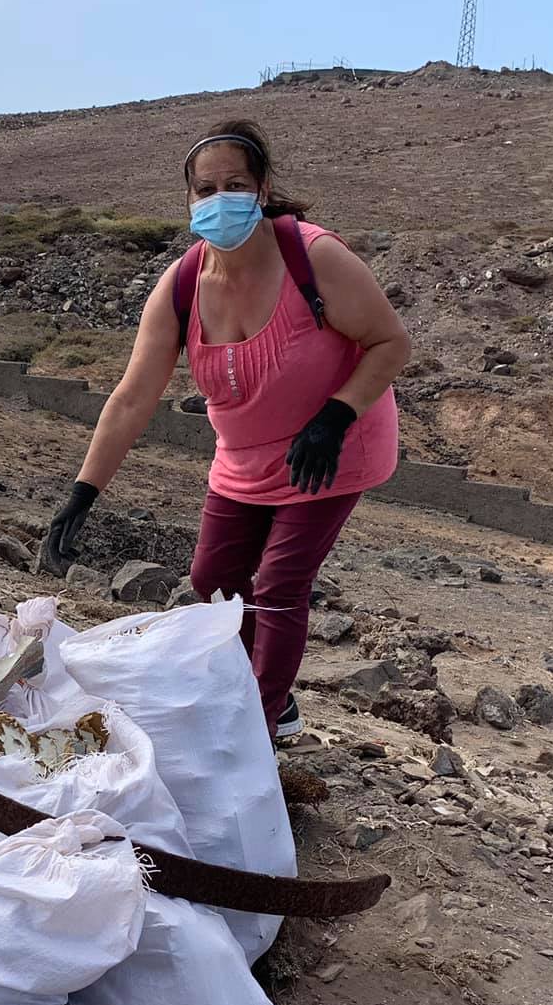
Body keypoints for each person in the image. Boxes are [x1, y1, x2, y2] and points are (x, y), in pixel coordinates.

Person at [40, 118, 409, 745]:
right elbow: (132, 398)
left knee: (279, 588)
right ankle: (267, 697)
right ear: (188, 199)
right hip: (242, 458)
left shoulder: (314, 259)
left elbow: (390, 343)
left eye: (234, 184)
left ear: (262, 188)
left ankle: (254, 735)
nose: (219, 200)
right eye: (204, 189)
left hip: (329, 451)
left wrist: (336, 414)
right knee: (214, 584)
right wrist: (82, 494)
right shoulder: (183, 284)